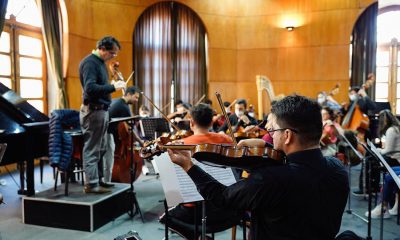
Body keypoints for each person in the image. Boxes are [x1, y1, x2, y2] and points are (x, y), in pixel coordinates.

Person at [168, 95, 349, 239]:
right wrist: (268, 147)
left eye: (273, 131)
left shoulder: (270, 180)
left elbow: (222, 197)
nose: (271, 135)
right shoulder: (338, 168)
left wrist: (189, 166)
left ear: (287, 135)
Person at [159, 103, 242, 239]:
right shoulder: (226, 140)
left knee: (165, 217)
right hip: (226, 208)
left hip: (194, 211)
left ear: (191, 122)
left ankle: (197, 236)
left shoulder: (181, 145)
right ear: (211, 122)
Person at [79, 36, 126, 194]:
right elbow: (90, 88)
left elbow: (99, 86)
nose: (113, 57)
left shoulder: (100, 63)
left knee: (101, 148)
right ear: (103, 49)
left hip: (101, 110)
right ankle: (91, 184)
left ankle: (99, 181)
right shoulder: (90, 63)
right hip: (93, 111)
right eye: (112, 53)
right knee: (92, 148)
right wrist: (113, 87)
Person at [102, 86, 142, 183]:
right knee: (108, 161)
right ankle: (106, 183)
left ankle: (105, 182)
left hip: (102, 132)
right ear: (128, 94)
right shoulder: (124, 107)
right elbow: (130, 130)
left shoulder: (116, 101)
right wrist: (141, 142)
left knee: (105, 160)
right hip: (107, 134)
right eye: (135, 97)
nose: (136, 100)